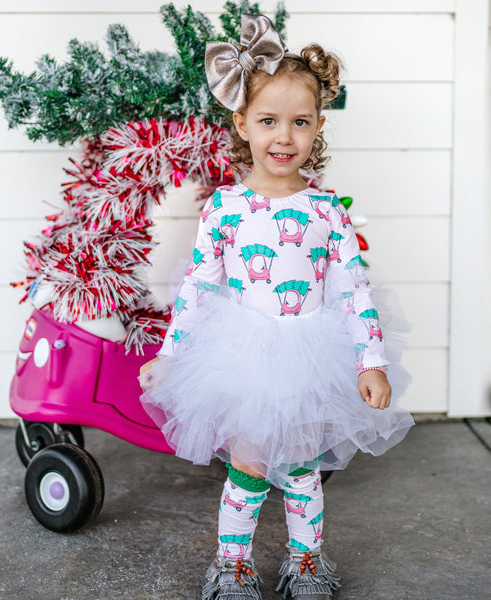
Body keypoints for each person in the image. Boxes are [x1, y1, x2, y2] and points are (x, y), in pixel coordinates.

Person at [139, 13, 414, 600]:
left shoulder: (326, 211)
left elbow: (351, 289)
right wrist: (171, 355)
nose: (283, 137)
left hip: (313, 352)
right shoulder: (225, 208)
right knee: (252, 461)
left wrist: (370, 360)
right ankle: (231, 564)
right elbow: (198, 286)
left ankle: (305, 561)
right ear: (242, 124)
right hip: (244, 354)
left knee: (304, 463)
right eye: (268, 121)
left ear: (317, 128)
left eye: (299, 122)